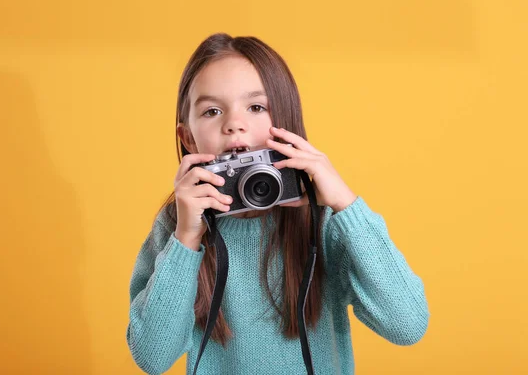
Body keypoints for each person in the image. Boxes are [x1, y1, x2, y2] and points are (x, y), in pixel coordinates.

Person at [126, 33, 429, 375]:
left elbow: (407, 324)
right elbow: (152, 357)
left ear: (284, 121)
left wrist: (346, 205)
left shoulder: (323, 220)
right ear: (188, 137)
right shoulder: (178, 225)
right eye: (212, 111)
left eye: (256, 107)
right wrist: (186, 238)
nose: (234, 124)